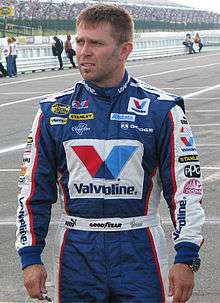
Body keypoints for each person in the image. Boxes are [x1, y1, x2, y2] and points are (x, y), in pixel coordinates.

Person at [16, 4, 205, 303]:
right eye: (80, 41)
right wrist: (30, 256)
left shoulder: (162, 110)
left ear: (124, 50)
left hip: (139, 249)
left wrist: (187, 255)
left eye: (96, 43)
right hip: (76, 251)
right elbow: (32, 192)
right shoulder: (53, 112)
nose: (83, 51)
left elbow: (185, 188)